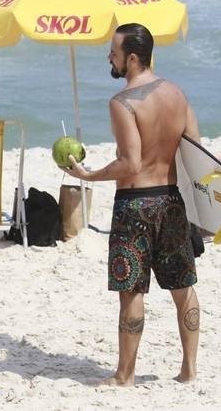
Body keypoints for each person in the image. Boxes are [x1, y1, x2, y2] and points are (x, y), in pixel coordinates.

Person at [60, 23, 200, 386]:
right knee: (183, 286)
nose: (109, 57)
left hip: (135, 206)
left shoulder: (122, 102)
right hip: (171, 201)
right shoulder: (178, 94)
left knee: (132, 292)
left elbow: (130, 163)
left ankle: (125, 375)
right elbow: (196, 154)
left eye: (114, 52)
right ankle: (189, 370)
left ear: (132, 58)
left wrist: (88, 175)